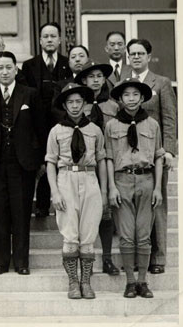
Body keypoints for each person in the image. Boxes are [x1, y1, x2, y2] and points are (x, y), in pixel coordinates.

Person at [0, 51, 46, 276]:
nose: (5, 72)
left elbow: (41, 129)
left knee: (21, 213)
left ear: (16, 69)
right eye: (0, 68)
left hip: (22, 164)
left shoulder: (30, 95)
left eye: (9, 67)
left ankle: (21, 262)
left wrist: (39, 160)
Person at [46, 83, 107, 299]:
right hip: (66, 180)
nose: (74, 106)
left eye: (78, 102)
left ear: (85, 104)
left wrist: (104, 190)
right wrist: (55, 191)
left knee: (88, 235)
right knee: (70, 235)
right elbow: (51, 163)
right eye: (70, 102)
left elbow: (101, 160)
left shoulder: (95, 130)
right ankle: (73, 282)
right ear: (64, 105)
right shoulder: (56, 131)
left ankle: (86, 283)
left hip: (89, 179)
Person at [105, 78, 164, 298]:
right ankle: (130, 282)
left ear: (142, 98)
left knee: (144, 235)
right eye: (126, 95)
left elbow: (158, 156)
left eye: (135, 95)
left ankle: (143, 281)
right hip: (122, 181)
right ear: (120, 99)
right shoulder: (111, 125)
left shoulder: (152, 124)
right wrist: (111, 187)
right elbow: (109, 157)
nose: (131, 99)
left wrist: (158, 188)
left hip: (146, 181)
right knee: (127, 236)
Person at [126, 38, 177, 275]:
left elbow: (169, 119)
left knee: (157, 206)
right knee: (135, 210)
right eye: (132, 53)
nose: (136, 57)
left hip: (155, 155)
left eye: (140, 53)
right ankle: (138, 257)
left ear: (148, 56)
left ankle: (159, 257)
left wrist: (169, 150)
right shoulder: (124, 84)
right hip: (131, 154)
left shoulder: (162, 83)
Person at [74, 61, 120, 276]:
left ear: (104, 80)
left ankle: (108, 258)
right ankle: (87, 259)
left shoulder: (113, 106)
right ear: (83, 80)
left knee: (105, 214)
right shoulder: (76, 104)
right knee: (85, 215)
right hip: (83, 166)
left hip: (105, 162)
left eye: (99, 76)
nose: (95, 80)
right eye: (90, 76)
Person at [21, 22, 72, 218]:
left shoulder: (67, 64)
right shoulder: (29, 66)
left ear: (60, 39)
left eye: (53, 36)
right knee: (43, 161)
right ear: (40, 40)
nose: (49, 39)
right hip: (37, 123)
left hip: (63, 121)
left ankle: (63, 203)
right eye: (46, 36)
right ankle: (42, 205)